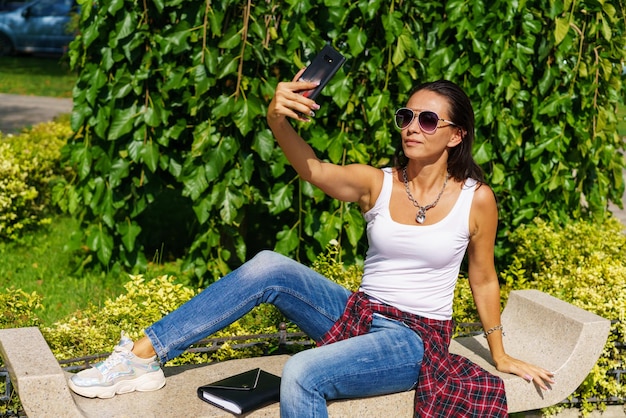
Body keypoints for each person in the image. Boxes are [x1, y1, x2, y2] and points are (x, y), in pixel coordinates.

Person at [68, 74, 555, 416]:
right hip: (358, 315)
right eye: (407, 116)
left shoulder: (477, 199)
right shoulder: (377, 182)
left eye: (428, 120)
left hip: (414, 341)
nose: (412, 126)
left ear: (456, 135)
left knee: (301, 371)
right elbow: (314, 170)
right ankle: (141, 358)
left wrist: (501, 352)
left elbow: (483, 276)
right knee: (268, 266)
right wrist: (278, 119)